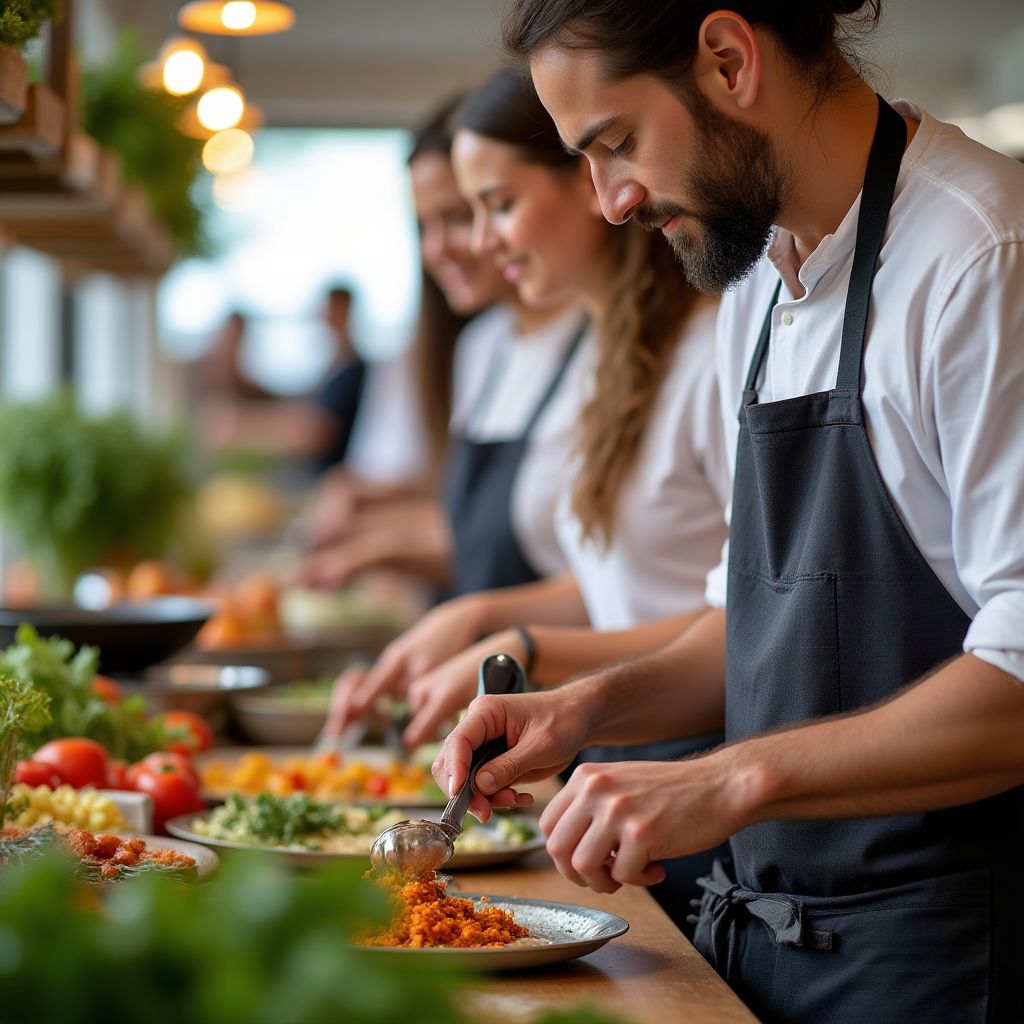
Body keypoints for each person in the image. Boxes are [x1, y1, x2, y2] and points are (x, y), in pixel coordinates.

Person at [433, 3, 1024, 1022]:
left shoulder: (982, 257)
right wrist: (584, 709)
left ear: (727, 59)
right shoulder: (754, 285)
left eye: (615, 143)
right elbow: (746, 629)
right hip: (767, 942)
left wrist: (728, 779)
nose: (610, 202)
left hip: (945, 960)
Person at [326, 68, 730, 928]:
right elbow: (620, 581)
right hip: (608, 777)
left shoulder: (713, 346)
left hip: (688, 778)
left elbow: (738, 612)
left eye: (494, 204)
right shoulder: (608, 356)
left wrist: (513, 634)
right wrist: (481, 620)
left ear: (585, 184)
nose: (475, 242)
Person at [296, 96, 586, 595]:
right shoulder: (481, 346)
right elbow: (473, 532)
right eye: (423, 226)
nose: (436, 250)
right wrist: (364, 544)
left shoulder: (601, 347)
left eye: (462, 214)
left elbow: (601, 576)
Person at [196, 286, 367, 474]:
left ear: (343, 310)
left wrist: (242, 426)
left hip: (328, 481)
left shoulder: (352, 370)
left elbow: (317, 432)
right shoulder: (335, 367)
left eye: (328, 309)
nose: (322, 315)